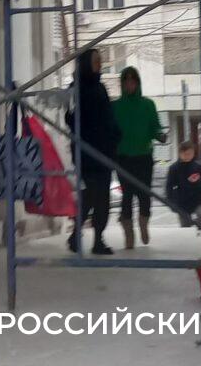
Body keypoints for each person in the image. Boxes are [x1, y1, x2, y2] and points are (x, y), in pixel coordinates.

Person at [65, 49, 120, 255]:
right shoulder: (75, 89)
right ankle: (90, 239)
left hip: (103, 151)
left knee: (96, 197)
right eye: (96, 61)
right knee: (93, 196)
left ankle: (90, 238)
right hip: (87, 153)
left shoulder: (100, 87)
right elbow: (70, 119)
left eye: (100, 60)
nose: (100, 64)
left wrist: (115, 135)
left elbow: (108, 117)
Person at [112, 66, 166, 249]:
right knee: (127, 195)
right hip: (123, 157)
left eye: (133, 81)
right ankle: (128, 231)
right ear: (122, 84)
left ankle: (143, 223)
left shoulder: (148, 105)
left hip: (144, 156)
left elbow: (155, 126)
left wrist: (159, 135)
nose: (130, 84)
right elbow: (110, 132)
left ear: (138, 83)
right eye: (126, 81)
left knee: (144, 194)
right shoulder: (115, 107)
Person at [165, 141, 201, 228]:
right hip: (182, 201)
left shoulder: (198, 166)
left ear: (193, 153)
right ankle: (191, 223)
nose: (187, 156)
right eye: (185, 154)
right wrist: (171, 202)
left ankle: (199, 225)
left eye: (190, 154)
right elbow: (169, 186)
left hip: (198, 199)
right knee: (185, 224)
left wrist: (198, 181)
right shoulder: (174, 168)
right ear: (180, 154)